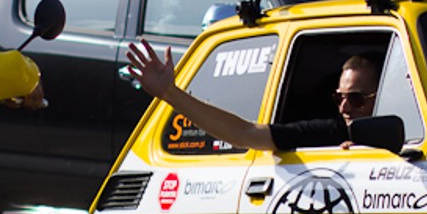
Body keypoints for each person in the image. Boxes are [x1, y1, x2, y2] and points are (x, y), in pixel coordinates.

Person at [122, 43, 378, 152]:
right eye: (338, 97)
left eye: (355, 99)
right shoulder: (331, 131)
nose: (344, 106)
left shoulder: (412, 133)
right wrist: (169, 94)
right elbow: (245, 133)